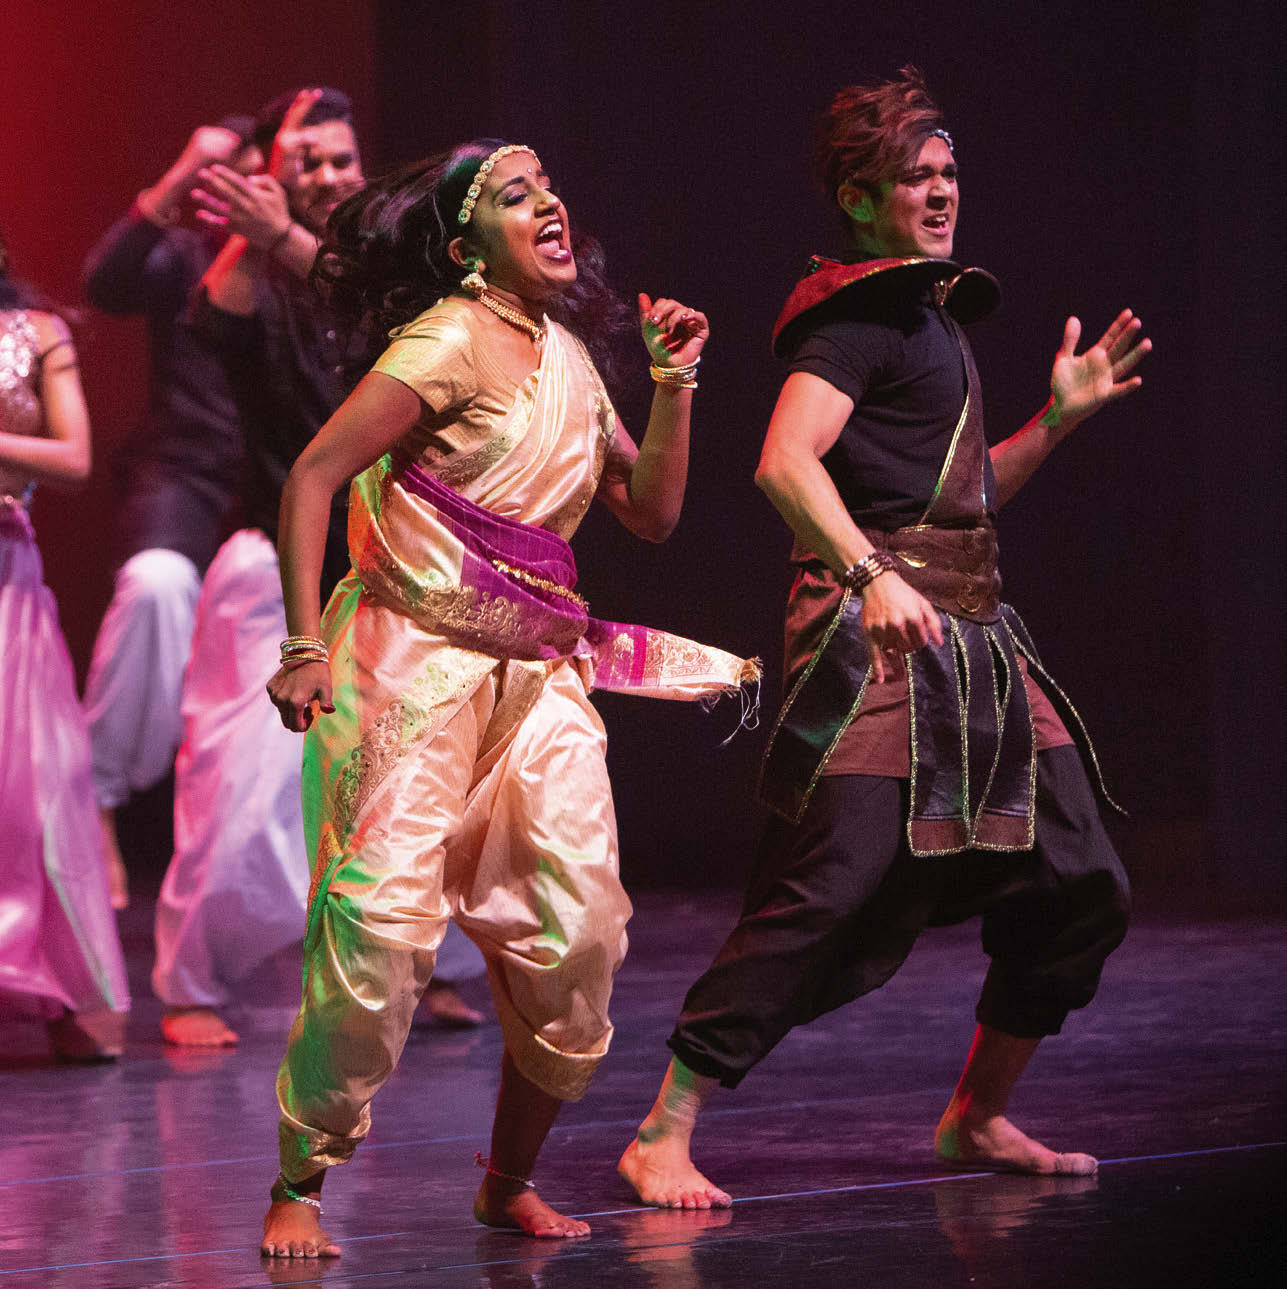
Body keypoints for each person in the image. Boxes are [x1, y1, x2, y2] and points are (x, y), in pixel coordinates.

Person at [618, 67, 1150, 1210]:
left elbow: (962, 498)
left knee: (1080, 876)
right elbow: (781, 462)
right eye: (915, 176)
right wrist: (866, 573)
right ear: (858, 200)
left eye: (949, 171)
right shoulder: (858, 317)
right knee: (836, 877)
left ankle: (977, 1112)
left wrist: (1055, 419)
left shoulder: (935, 317)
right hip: (880, 641)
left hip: (975, 634)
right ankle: (664, 1125)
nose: (941, 190)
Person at [258, 140, 757, 1257]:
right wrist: (302, 644)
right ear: (461, 245)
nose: (548, 203)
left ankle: (507, 1179)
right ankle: (301, 1176)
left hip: (536, 684)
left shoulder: (573, 360)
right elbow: (312, 475)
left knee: (579, 931)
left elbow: (652, 513)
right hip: (409, 664)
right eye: (513, 196)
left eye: (548, 188)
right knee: (379, 927)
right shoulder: (442, 340)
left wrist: (675, 382)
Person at [155, 90, 487, 1048]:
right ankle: (195, 983)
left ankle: (431, 967)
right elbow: (217, 321)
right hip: (274, 555)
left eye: (343, 160)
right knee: (241, 782)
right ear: (271, 174)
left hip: (397, 556)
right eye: (309, 161)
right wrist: (258, 236)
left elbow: (400, 332)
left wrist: (288, 236)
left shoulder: (396, 266)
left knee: (421, 768)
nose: (332, 176)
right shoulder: (248, 266)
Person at [81, 115, 264, 910]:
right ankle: (95, 805)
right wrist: (185, 165)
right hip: (183, 472)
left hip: (280, 482)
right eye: (230, 179)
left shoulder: (307, 263)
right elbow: (106, 282)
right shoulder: (187, 258)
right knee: (155, 584)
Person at [0, 231, 130, 1060]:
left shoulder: (38, 330)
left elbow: (76, 456)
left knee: (26, 790)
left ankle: (56, 978)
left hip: (6, 580)